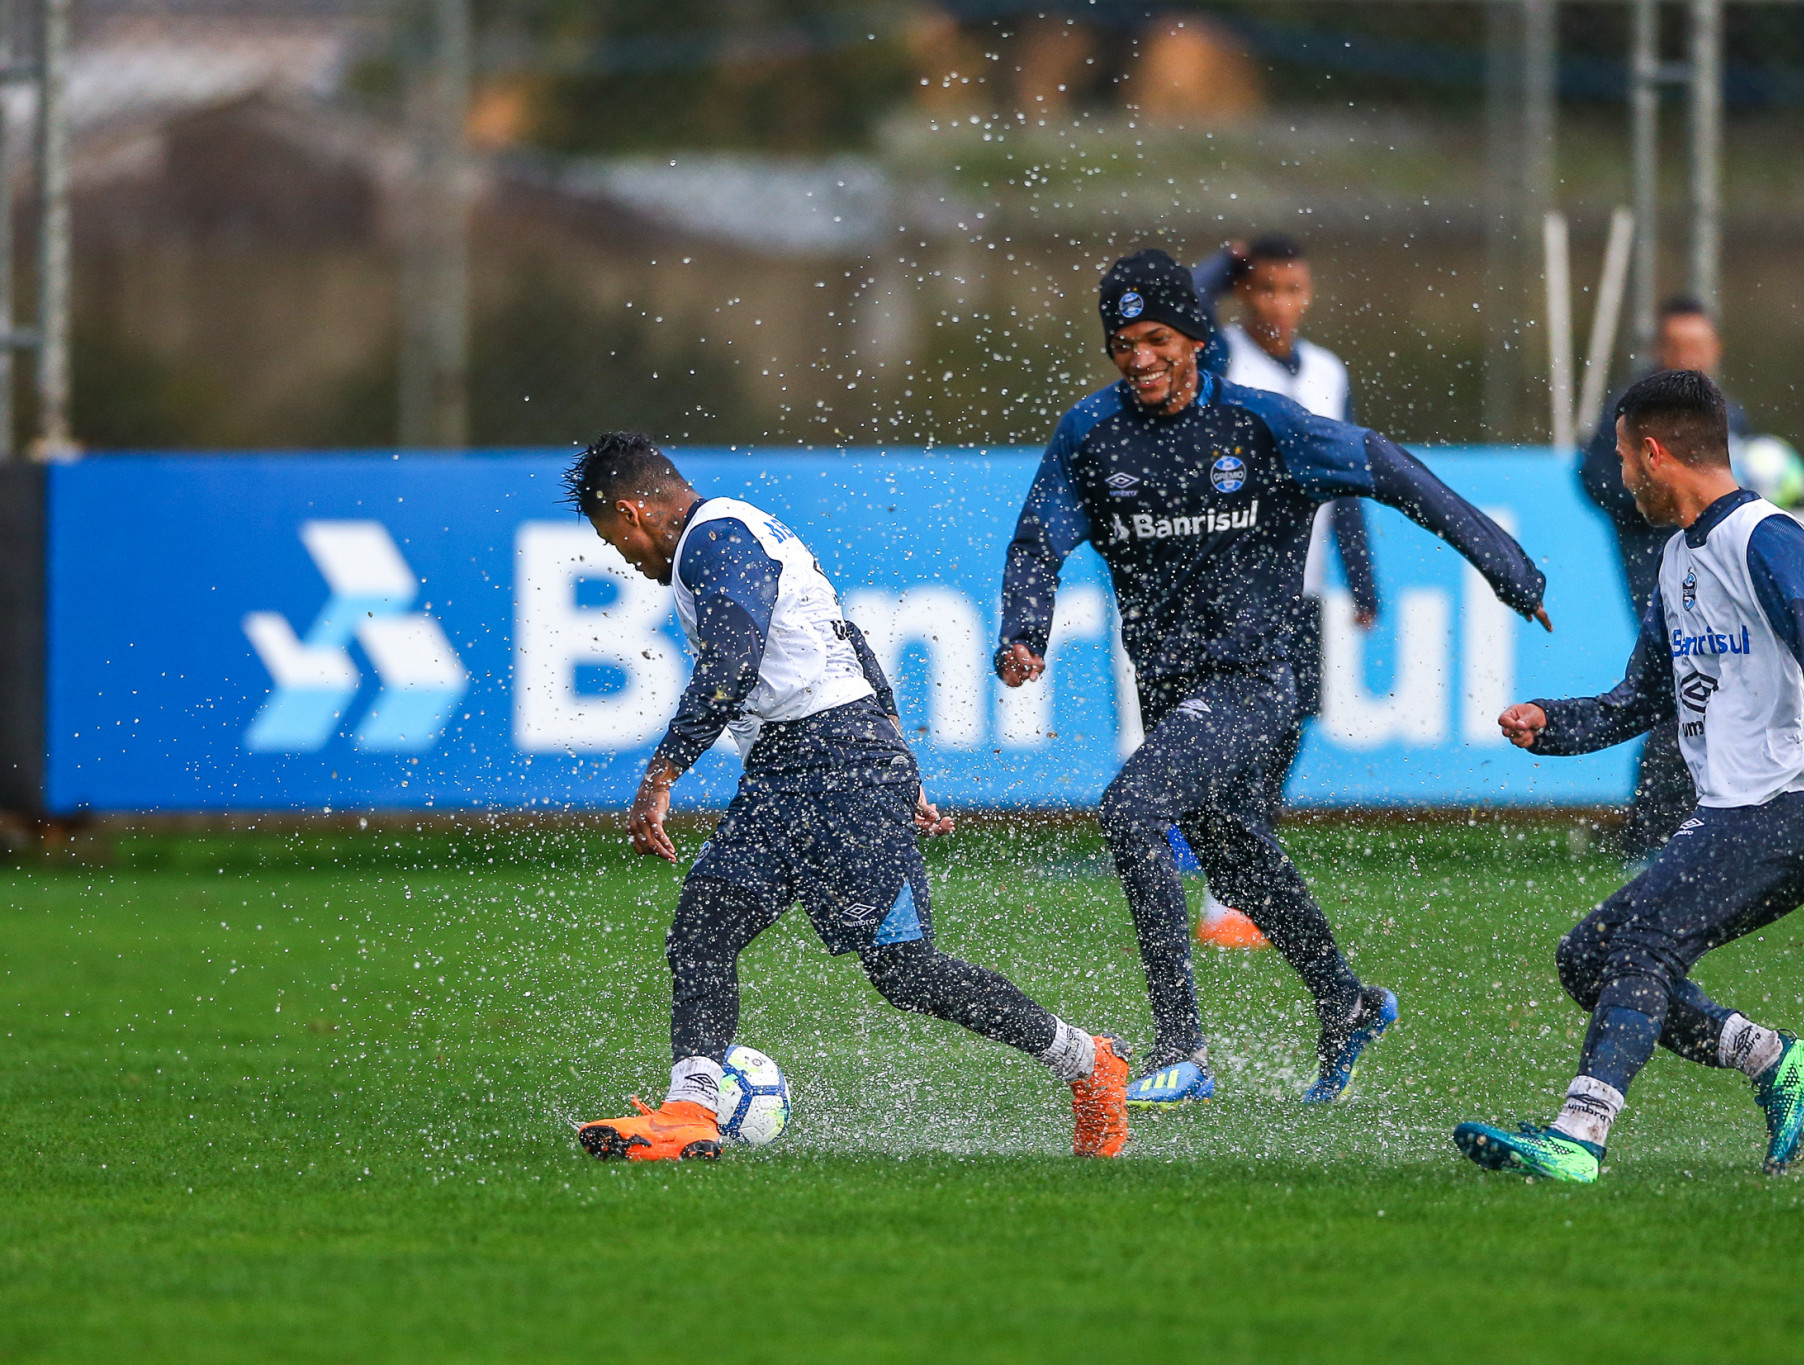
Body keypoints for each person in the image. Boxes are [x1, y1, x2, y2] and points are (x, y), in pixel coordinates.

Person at [997, 249, 1551, 1110]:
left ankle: (1181, 1046)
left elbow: (1387, 468)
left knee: (1131, 808)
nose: (1139, 358)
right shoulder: (1090, 433)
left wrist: (1506, 564)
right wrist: (1023, 629)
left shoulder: (1264, 425)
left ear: (1191, 338)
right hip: (1172, 690)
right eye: (1121, 344)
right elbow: (1038, 537)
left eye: (1155, 339)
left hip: (1257, 677)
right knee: (1236, 854)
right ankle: (1347, 1000)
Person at [564, 432, 1131, 1162]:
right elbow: (852, 643)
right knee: (705, 921)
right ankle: (691, 1110)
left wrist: (664, 770)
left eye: (617, 543)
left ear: (631, 511)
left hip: (839, 763)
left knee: (906, 970)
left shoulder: (713, 538)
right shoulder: (744, 532)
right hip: (793, 765)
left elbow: (733, 659)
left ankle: (1090, 1064)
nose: (629, 561)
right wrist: (907, 759)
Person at [1455, 369, 1804, 1184]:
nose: (1621, 478)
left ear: (1655, 454)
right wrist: (1555, 723)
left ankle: (1579, 1136)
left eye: (1625, 460)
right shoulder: (1676, 562)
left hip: (1789, 808)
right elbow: (1642, 699)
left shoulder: (1767, 537)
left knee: (1646, 944)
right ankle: (1773, 1059)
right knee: (1586, 958)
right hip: (1731, 814)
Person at [1180, 234, 1380, 950]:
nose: (1278, 304)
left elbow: (1347, 479)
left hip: (1306, 587)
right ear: (1244, 292)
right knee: (1243, 731)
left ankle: (1234, 866)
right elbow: (1183, 305)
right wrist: (1220, 263)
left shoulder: (1328, 371)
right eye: (1263, 288)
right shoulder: (1224, 355)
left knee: (1288, 728)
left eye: (1291, 290)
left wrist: (1363, 578)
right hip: (1231, 587)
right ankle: (1224, 885)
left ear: (1308, 294)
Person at [1580, 298, 1750, 862]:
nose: (1687, 358)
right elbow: (1596, 476)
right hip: (1655, 563)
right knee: (1682, 682)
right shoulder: (1634, 412)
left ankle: (1696, 822)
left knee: (1701, 682)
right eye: (1676, 348)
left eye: (1696, 348)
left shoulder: (1731, 416)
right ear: (1658, 353)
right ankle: (1655, 831)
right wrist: (1655, 500)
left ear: (1716, 351)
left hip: (1721, 564)